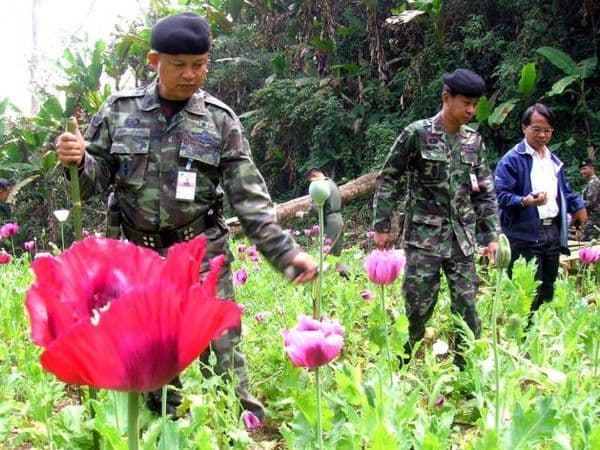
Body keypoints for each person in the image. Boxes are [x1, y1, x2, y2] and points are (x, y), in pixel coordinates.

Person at [55, 12, 317, 419]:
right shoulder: (119, 111)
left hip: (201, 251)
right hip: (139, 259)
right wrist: (77, 161)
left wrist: (286, 254)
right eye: (179, 65)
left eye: (200, 64)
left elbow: (249, 198)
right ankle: (167, 429)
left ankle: (241, 425)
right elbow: (93, 181)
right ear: (154, 61)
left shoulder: (220, 120)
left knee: (224, 346)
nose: (191, 75)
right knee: (153, 358)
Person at [372, 68, 499, 369]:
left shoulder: (474, 142)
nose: (471, 110)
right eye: (466, 103)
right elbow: (388, 178)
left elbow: (485, 192)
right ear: (446, 98)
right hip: (424, 240)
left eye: (475, 104)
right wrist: (382, 225)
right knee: (417, 309)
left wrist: (492, 235)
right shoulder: (416, 134)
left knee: (468, 309)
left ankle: (467, 375)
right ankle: (399, 369)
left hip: (462, 240)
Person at [495, 103, 587, 317]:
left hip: (552, 231)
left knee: (548, 287)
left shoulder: (553, 160)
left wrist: (579, 207)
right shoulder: (511, 160)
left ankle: (540, 338)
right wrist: (524, 201)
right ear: (524, 128)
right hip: (523, 232)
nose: (542, 135)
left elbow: (565, 191)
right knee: (526, 292)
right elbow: (500, 195)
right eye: (536, 129)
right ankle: (522, 340)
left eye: (547, 130)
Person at [301, 168, 349, 278]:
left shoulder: (321, 185)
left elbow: (315, 206)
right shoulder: (332, 183)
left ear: (313, 177)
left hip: (331, 222)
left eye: (311, 181)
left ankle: (325, 281)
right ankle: (348, 277)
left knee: (328, 255)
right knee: (335, 255)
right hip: (338, 219)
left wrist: (304, 214)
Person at [580, 158, 599, 241]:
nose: (582, 172)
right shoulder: (591, 182)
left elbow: (590, 203)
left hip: (594, 221)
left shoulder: (594, 182)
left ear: (592, 168)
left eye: (584, 169)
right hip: (591, 220)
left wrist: (576, 204)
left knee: (590, 244)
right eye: (581, 169)